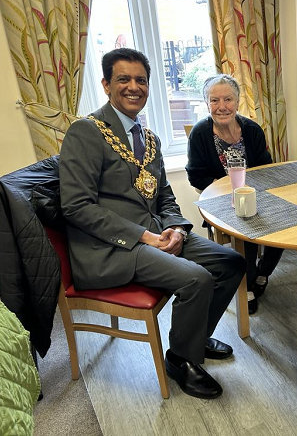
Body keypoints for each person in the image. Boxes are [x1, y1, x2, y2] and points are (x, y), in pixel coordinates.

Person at [60, 48, 245, 400]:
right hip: (109, 248)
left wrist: (176, 228)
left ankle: (194, 336)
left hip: (155, 235)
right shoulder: (86, 132)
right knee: (196, 279)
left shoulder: (150, 139)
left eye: (141, 80)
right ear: (106, 84)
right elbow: (76, 206)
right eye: (123, 79)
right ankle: (181, 359)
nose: (134, 87)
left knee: (230, 262)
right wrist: (143, 236)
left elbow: (165, 196)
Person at [186, 74, 283, 315]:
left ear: (238, 101)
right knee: (246, 224)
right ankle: (248, 286)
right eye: (214, 100)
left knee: (285, 219)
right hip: (220, 201)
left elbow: (266, 167)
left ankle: (263, 272)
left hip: (256, 194)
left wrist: (249, 192)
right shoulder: (200, 134)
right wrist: (229, 192)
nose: (222, 106)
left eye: (228, 99)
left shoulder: (251, 129)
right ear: (207, 104)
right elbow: (196, 176)